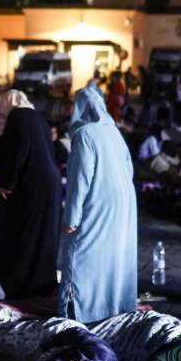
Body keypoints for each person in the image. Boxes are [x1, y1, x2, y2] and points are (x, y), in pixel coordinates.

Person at [60, 86, 138, 324]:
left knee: (82, 253)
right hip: (123, 202)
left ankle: (81, 309)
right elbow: (130, 169)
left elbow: (79, 180)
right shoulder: (114, 132)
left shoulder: (84, 135)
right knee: (113, 255)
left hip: (98, 200)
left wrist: (71, 219)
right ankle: (114, 305)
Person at [0, 90, 61, 299]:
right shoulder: (38, 118)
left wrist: (8, 183)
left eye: (3, 102)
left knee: (26, 233)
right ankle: (40, 281)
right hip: (49, 183)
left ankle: (22, 284)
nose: (1, 106)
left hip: (32, 183)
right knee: (42, 234)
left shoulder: (18, 117)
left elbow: (17, 150)